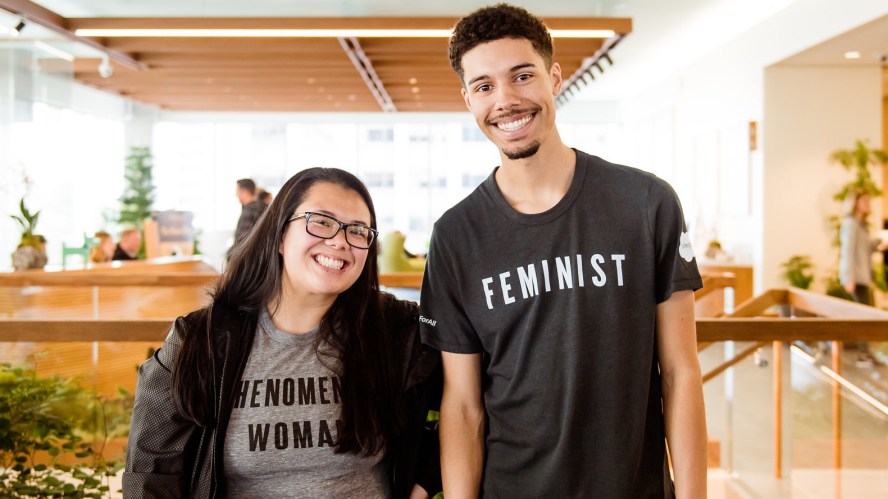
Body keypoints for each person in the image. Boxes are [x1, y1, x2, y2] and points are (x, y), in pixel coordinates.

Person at [419, 5, 707, 498]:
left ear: (554, 78)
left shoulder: (646, 203)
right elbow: (463, 406)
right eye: (484, 86)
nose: (505, 100)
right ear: (467, 99)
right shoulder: (455, 236)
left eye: (522, 76)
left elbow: (680, 372)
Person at [124, 167, 441, 498]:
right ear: (278, 234)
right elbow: (149, 475)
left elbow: (475, 399)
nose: (339, 241)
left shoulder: (395, 333)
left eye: (358, 231)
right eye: (321, 221)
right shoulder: (202, 340)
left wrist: (424, 481)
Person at [839, 189, 888, 366]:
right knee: (863, 316)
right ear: (855, 203)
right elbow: (848, 252)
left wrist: (879, 244)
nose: (868, 204)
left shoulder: (862, 225)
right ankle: (863, 354)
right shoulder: (850, 224)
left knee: (868, 314)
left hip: (864, 276)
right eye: (864, 200)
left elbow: (865, 249)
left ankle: (866, 352)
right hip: (855, 278)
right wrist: (848, 277)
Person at [233, 178, 266, 250]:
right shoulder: (264, 207)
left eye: (237, 191)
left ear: (244, 192)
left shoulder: (249, 211)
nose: (236, 194)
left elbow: (243, 241)